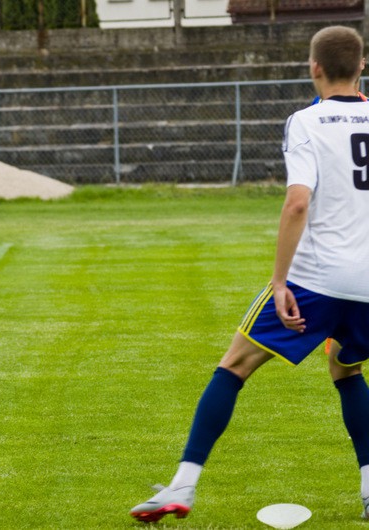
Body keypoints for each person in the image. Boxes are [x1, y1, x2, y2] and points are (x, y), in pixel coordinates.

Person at [130, 25, 369, 523]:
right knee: (346, 369)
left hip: (316, 281)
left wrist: (281, 283)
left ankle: (182, 487)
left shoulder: (305, 122)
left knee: (234, 366)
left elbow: (298, 201)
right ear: (362, 66)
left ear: (314, 68)